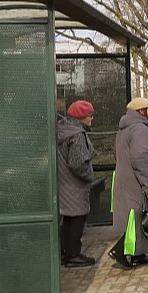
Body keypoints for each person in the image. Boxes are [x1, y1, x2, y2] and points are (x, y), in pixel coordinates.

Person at [110, 97, 148, 268]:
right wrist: (147, 183)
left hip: (127, 178)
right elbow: (140, 158)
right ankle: (120, 251)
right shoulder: (140, 129)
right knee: (138, 217)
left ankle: (138, 254)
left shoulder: (126, 128)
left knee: (135, 217)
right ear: (141, 111)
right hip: (137, 181)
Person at [57, 100, 96, 267]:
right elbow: (77, 162)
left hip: (64, 183)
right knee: (78, 218)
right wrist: (89, 175)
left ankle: (65, 251)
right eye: (90, 115)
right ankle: (73, 254)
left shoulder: (63, 130)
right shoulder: (77, 135)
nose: (92, 119)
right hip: (75, 184)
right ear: (81, 117)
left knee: (68, 218)